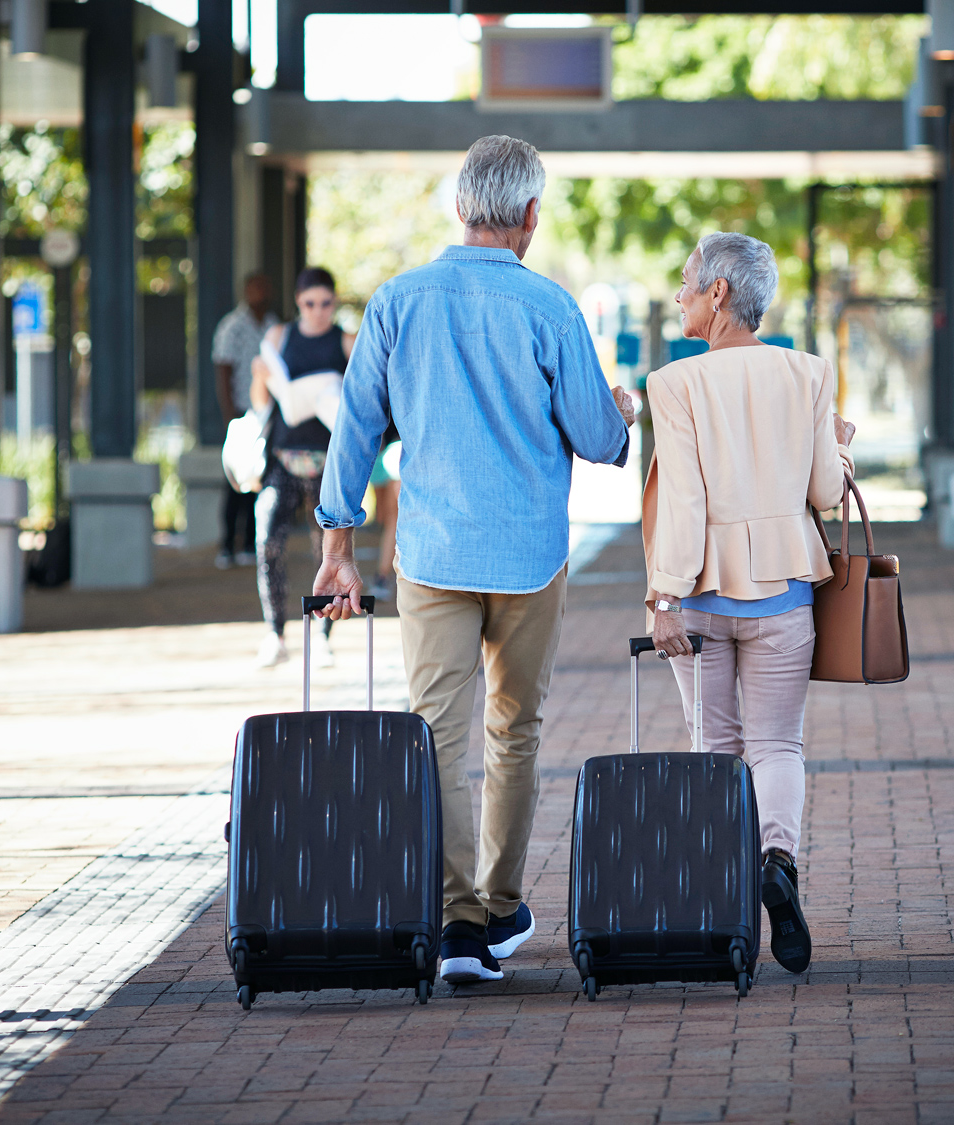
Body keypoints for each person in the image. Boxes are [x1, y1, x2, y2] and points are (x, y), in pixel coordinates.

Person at [311, 135, 636, 985]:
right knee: (513, 730)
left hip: (431, 552)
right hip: (530, 555)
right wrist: (624, 406)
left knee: (438, 738)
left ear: (460, 209)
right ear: (530, 217)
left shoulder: (397, 300)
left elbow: (354, 428)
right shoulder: (552, 308)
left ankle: (455, 925)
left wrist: (337, 544)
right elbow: (601, 441)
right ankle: (496, 907)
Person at [642, 232, 855, 975]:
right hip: (785, 589)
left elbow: (684, 501)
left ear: (719, 293)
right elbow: (827, 493)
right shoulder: (808, 373)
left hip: (701, 592)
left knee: (717, 747)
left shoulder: (674, 384)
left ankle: (724, 907)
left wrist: (663, 596)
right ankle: (779, 862)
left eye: (687, 281)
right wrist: (842, 446)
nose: (680, 295)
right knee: (777, 744)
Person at [249, 266, 355, 669]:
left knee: (325, 548)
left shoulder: (346, 341)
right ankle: (275, 632)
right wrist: (262, 376)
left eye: (326, 303)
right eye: (310, 304)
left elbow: (364, 396)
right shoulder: (280, 337)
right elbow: (260, 400)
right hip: (283, 458)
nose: (318, 312)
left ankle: (322, 635)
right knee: (267, 539)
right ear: (298, 302)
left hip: (327, 462)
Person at [211, 273, 280, 569]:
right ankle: (227, 544)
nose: (259, 293)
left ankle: (250, 543)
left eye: (264, 287)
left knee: (260, 478)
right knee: (235, 480)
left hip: (267, 414)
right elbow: (223, 369)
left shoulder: (274, 325)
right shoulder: (232, 326)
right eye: (255, 288)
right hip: (241, 412)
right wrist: (230, 415)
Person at [366, 431, 401, 602]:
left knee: (391, 520)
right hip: (386, 453)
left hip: (392, 451)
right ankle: (383, 576)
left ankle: (383, 576)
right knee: (388, 519)